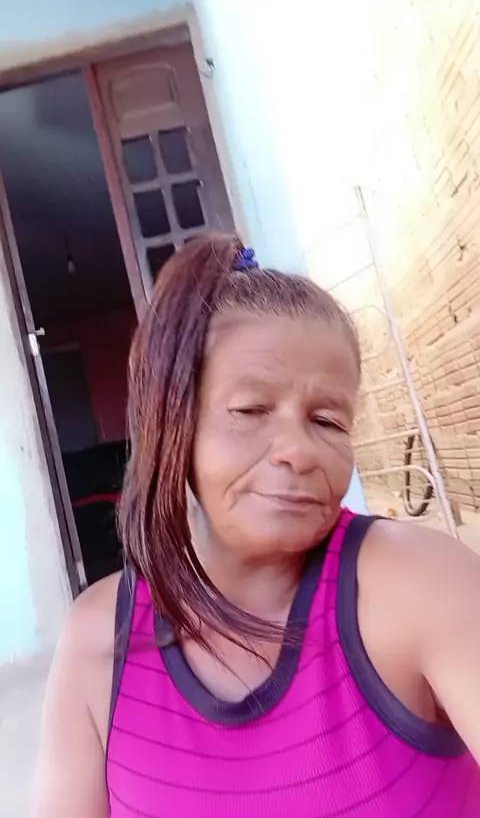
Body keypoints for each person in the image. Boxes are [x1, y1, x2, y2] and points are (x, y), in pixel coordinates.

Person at [33, 234, 480, 818]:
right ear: (173, 426)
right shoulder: (99, 640)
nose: (299, 450)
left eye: (327, 420)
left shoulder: (420, 583)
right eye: (250, 410)